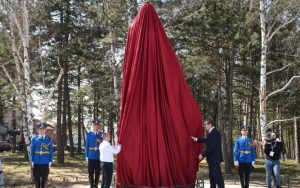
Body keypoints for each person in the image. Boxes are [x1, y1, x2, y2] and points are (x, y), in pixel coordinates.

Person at [191, 118, 224, 188]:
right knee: (212, 177)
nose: (204, 126)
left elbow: (211, 147)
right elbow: (207, 140)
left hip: (215, 159)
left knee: (217, 177)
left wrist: (202, 154)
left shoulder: (214, 133)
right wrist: (196, 139)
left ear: (210, 125)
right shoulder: (212, 132)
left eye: (205, 124)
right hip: (212, 159)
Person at [30, 122, 54, 188]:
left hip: (45, 162)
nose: (42, 130)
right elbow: (32, 150)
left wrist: (50, 161)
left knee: (44, 179)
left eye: (43, 129)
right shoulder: (34, 139)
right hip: (36, 162)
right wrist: (32, 160)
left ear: (46, 129)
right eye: (40, 129)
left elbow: (51, 151)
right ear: (38, 130)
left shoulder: (49, 139)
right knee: (36, 179)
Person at [85, 118, 103, 188]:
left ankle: (96, 185)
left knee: (98, 172)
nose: (96, 127)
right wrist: (86, 156)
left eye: (97, 125)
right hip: (91, 156)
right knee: (90, 172)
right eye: (95, 125)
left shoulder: (102, 135)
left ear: (99, 126)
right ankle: (91, 185)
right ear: (93, 126)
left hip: (99, 156)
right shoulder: (89, 134)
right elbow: (87, 145)